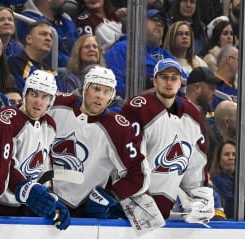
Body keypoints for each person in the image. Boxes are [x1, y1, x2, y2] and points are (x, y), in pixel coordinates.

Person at [0, 60, 71, 230]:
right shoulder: (8, 119)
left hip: (23, 206)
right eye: (34, 94)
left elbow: (43, 168)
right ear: (25, 94)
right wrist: (29, 190)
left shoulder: (49, 124)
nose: (38, 102)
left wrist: (49, 199)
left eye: (45, 97)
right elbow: (4, 165)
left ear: (51, 101)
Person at [49, 65, 154, 222]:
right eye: (96, 89)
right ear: (85, 88)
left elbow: (140, 174)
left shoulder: (118, 129)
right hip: (44, 200)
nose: (100, 96)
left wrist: (111, 194)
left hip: (82, 212)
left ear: (112, 96)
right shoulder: (57, 104)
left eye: (106, 92)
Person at [120, 58, 212, 222]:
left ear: (180, 83)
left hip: (165, 210)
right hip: (130, 206)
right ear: (155, 81)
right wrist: (136, 201)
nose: (169, 82)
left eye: (174, 77)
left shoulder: (192, 114)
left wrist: (199, 198)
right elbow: (126, 160)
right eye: (164, 77)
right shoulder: (137, 108)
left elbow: (195, 166)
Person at [104, 9, 174, 99]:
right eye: (154, 19)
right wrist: (146, 94)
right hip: (133, 104)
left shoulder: (166, 55)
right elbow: (114, 85)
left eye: (162, 22)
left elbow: (184, 83)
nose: (159, 24)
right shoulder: (123, 48)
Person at [17, 0, 78, 68]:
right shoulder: (27, 21)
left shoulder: (67, 20)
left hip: (76, 68)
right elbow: (45, 55)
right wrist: (76, 63)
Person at [7, 21, 59, 92]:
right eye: (43, 34)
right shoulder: (14, 62)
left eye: (51, 36)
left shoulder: (52, 72)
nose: (48, 38)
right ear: (29, 39)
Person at [209, 140, 236, 218]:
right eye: (227, 154)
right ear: (218, 159)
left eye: (234, 154)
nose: (231, 158)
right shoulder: (215, 180)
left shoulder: (237, 180)